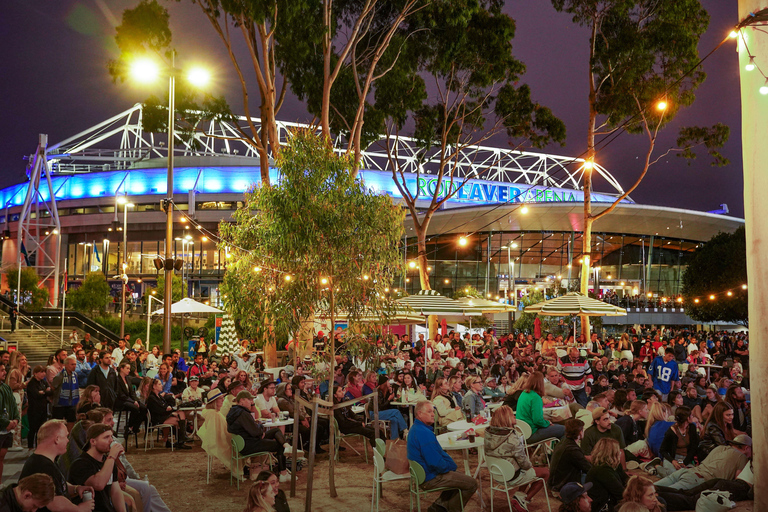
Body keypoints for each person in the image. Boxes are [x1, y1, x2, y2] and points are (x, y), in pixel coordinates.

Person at [406, 401, 477, 512]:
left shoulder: (417, 429)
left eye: (433, 411)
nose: (433, 414)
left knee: (459, 477)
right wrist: (450, 467)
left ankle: (438, 508)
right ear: (419, 414)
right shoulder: (423, 433)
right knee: (471, 484)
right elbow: (435, 462)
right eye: (429, 411)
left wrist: (450, 467)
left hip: (425, 474)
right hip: (430, 478)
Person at [19, 419, 95, 512]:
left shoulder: (46, 461)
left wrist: (76, 489)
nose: (68, 440)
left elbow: (58, 483)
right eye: (66, 436)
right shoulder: (41, 466)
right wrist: (79, 509)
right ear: (57, 439)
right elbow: (54, 503)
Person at [484, 405, 549, 511]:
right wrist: (530, 465)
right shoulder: (512, 438)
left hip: (497, 474)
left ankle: (519, 497)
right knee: (545, 472)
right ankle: (525, 499)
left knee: (527, 469)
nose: (514, 416)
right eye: (511, 415)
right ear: (506, 418)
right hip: (512, 476)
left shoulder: (488, 434)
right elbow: (524, 464)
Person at [227, 391, 290, 482]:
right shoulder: (242, 414)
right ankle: (283, 473)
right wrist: (260, 427)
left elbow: (252, 430)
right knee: (278, 445)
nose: (251, 401)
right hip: (250, 444)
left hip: (244, 442)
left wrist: (258, 430)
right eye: (249, 399)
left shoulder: (234, 412)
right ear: (242, 400)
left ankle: (287, 446)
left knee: (276, 430)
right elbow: (255, 432)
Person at [653, 434, 751, 491]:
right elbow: (739, 483)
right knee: (661, 496)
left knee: (650, 489)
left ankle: (654, 467)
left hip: (687, 472)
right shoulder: (742, 457)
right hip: (697, 479)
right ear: (747, 448)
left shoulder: (720, 448)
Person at [67, 423, 126, 512]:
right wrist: (112, 456)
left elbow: (115, 492)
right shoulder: (80, 463)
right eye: (106, 437)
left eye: (111, 437)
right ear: (93, 442)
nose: (111, 441)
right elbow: (98, 484)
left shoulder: (108, 461)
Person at [516, 371, 565, 443]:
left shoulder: (524, 393)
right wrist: (548, 423)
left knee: (556, 427)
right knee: (564, 429)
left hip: (522, 432)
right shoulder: (535, 397)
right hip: (532, 433)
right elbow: (537, 420)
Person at [585, 438, 628, 512]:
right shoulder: (601, 471)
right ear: (612, 454)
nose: (620, 453)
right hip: (603, 507)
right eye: (618, 451)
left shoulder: (615, 466)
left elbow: (627, 481)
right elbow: (620, 493)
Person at [146, 379, 189, 449]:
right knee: (178, 420)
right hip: (157, 419)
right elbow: (159, 410)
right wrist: (170, 411)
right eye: (159, 384)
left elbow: (164, 407)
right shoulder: (152, 398)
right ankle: (181, 440)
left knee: (180, 414)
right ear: (154, 386)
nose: (161, 385)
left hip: (163, 415)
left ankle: (180, 440)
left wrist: (169, 410)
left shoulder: (159, 396)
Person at [658, 406, 699, 477]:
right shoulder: (671, 432)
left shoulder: (692, 427)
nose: (692, 417)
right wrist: (673, 461)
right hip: (673, 458)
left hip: (686, 458)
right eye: (691, 415)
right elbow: (662, 450)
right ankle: (656, 467)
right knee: (673, 474)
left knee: (690, 475)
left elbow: (694, 447)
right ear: (687, 418)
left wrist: (685, 462)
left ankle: (661, 473)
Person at [114, 362, 146, 438]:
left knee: (143, 408)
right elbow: (120, 395)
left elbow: (132, 392)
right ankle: (128, 426)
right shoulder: (117, 379)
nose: (129, 370)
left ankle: (134, 428)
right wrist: (133, 402)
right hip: (121, 401)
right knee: (135, 408)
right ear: (121, 369)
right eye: (127, 368)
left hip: (129, 399)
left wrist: (136, 400)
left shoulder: (128, 379)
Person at [0, 364, 19, 484]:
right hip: (3, 425)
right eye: (1, 370)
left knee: (1, 458)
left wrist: (16, 419)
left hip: (6, 429)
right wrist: (6, 422)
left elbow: (13, 405)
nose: (4, 372)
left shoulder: (6, 387)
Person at [51, 356, 80, 430]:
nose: (74, 366)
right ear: (66, 365)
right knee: (58, 425)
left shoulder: (75, 375)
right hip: (60, 404)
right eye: (72, 364)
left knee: (71, 422)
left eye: (75, 364)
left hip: (71, 403)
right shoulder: (60, 376)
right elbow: (53, 387)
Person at [26, 366, 51, 449]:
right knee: (33, 429)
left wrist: (43, 392)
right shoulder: (32, 383)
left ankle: (39, 446)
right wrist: (45, 392)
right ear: (35, 373)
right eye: (41, 372)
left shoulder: (43, 382)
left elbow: (50, 392)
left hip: (43, 409)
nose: (43, 374)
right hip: (34, 409)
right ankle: (30, 447)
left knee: (41, 430)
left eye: (44, 372)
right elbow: (36, 394)